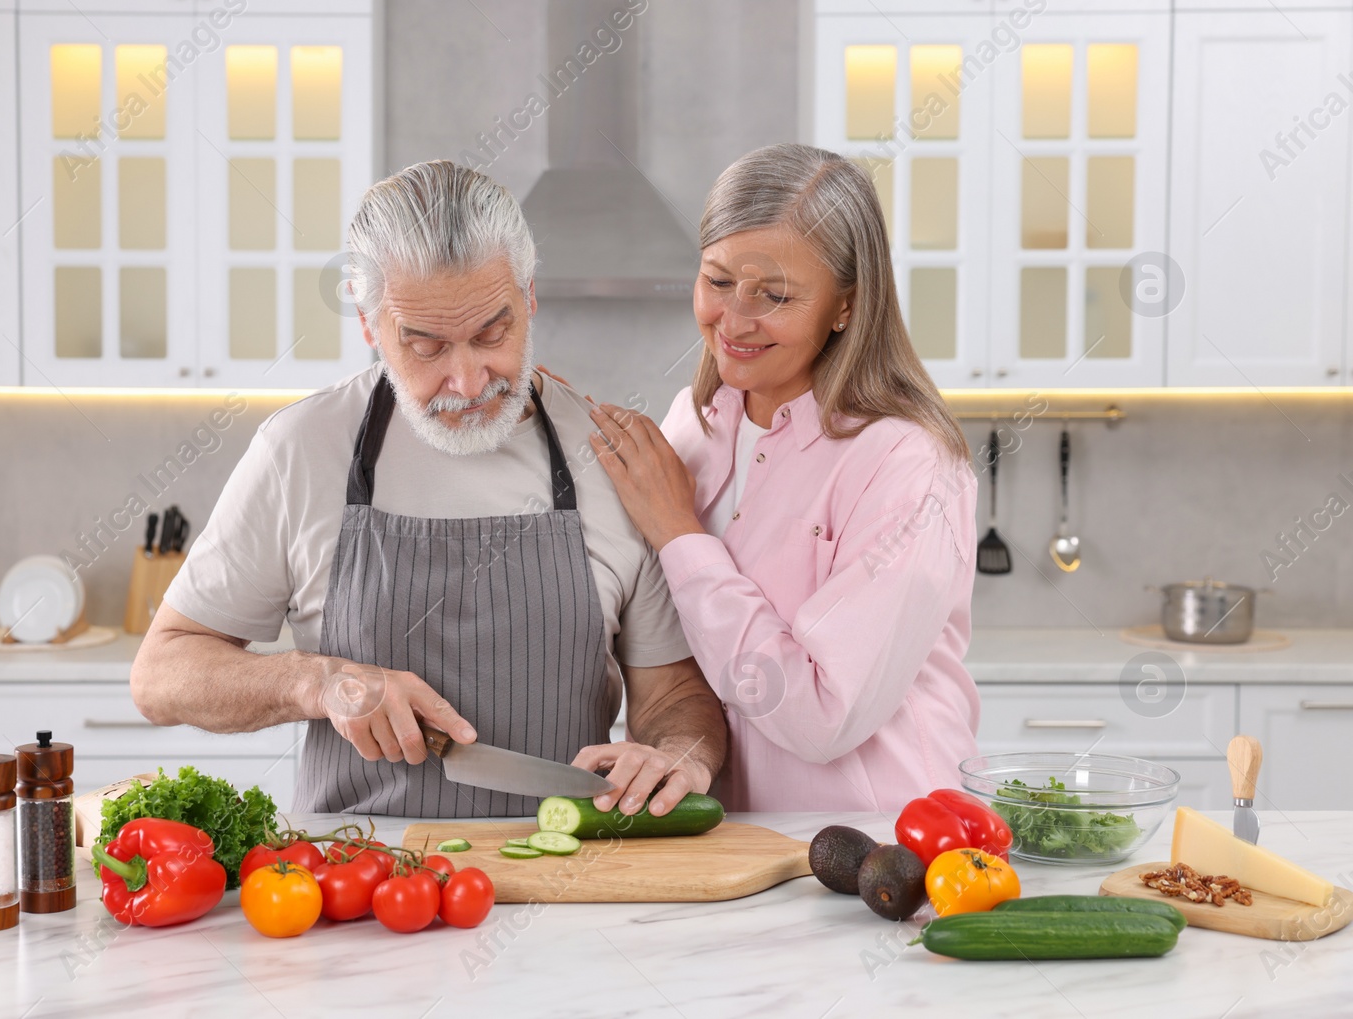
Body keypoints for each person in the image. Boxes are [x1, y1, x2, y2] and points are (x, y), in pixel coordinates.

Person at [131, 159, 725, 820]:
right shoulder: (301, 449)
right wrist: (315, 680)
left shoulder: (612, 459)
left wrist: (678, 751)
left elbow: (675, 692)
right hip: (355, 891)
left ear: (529, 295)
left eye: (491, 333)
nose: (468, 381)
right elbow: (161, 673)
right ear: (369, 325)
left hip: (561, 882)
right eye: (426, 346)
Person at [585, 143, 979, 814]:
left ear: (846, 306)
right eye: (716, 280)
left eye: (775, 295)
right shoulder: (693, 426)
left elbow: (822, 714)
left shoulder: (910, 466)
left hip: (883, 844)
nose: (734, 320)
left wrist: (681, 533)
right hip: (726, 841)